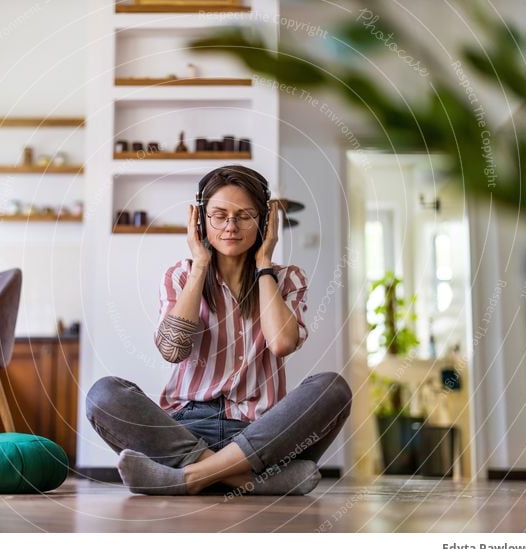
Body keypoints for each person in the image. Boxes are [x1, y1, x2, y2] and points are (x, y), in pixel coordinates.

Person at [86, 165, 352, 495]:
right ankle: (245, 480)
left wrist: (264, 265)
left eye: (244, 216)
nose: (230, 226)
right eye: (219, 215)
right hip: (185, 430)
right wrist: (199, 265)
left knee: (332, 389)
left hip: (261, 433)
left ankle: (190, 477)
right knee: (103, 395)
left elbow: (282, 343)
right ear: (201, 221)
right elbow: (172, 350)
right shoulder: (180, 276)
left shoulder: (288, 279)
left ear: (264, 222)